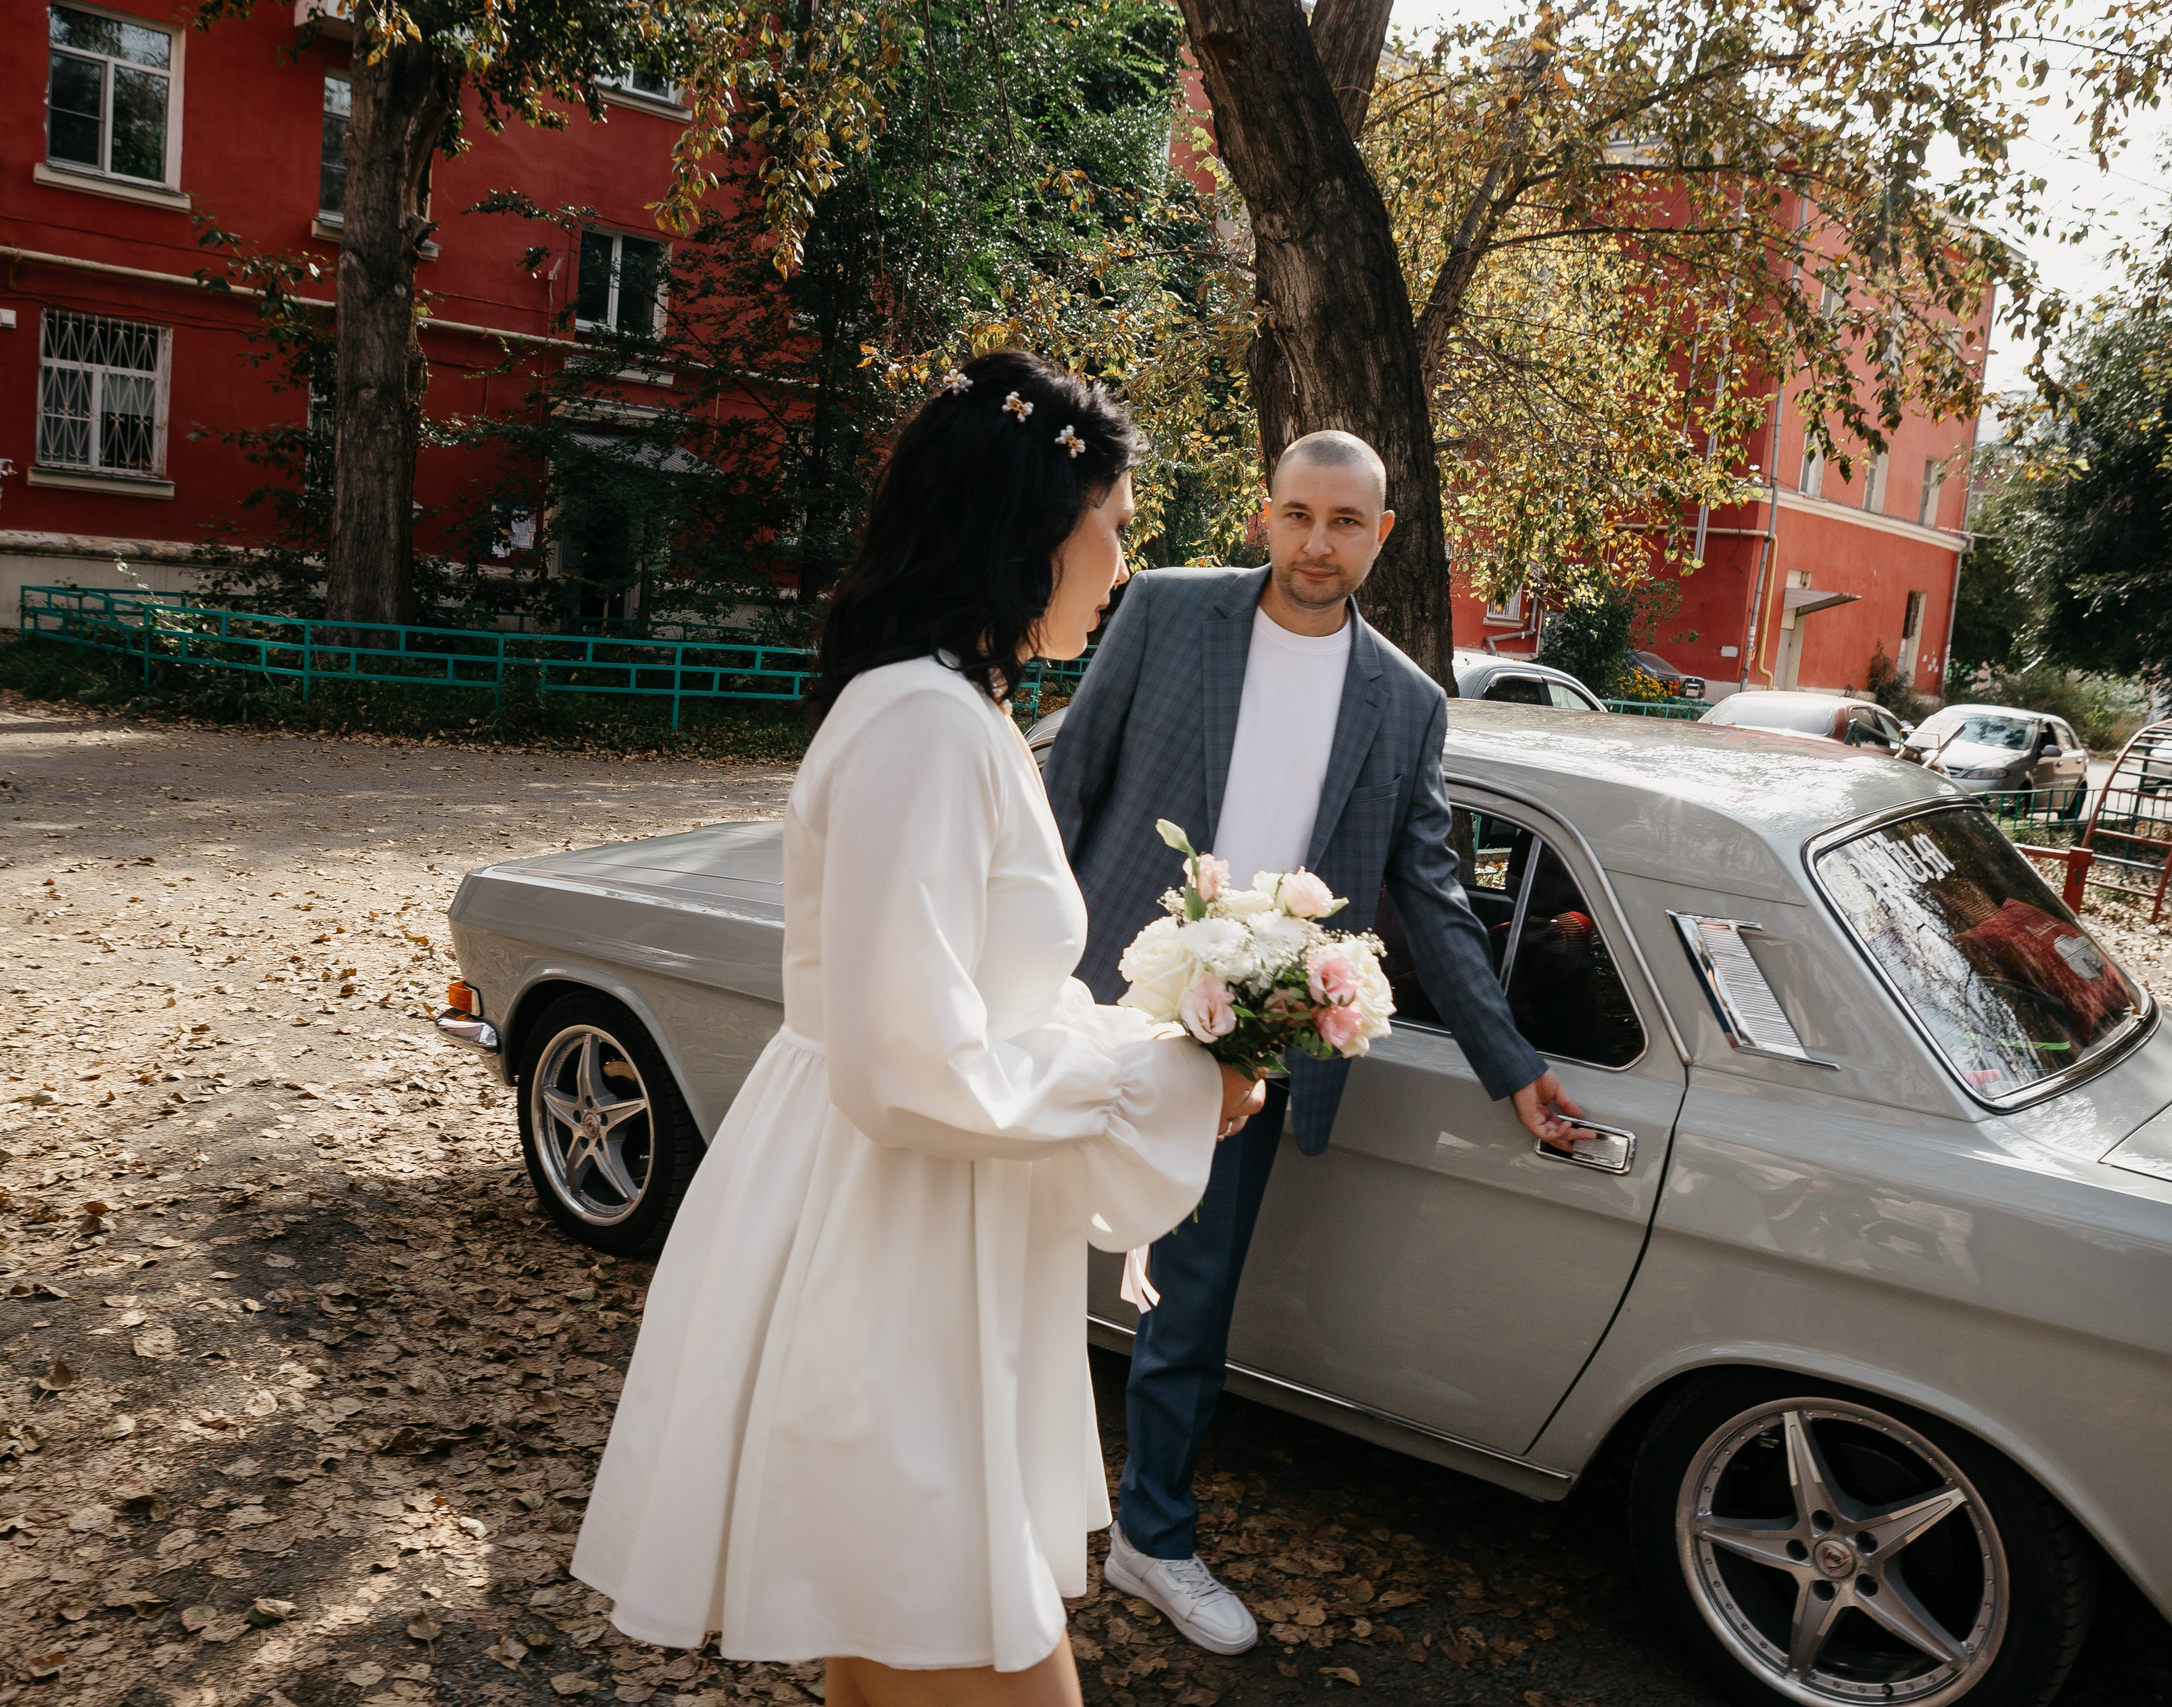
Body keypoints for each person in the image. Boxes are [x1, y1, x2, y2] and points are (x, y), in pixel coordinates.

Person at [572, 350, 1264, 1707]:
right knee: (955, 1631)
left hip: (921, 1218)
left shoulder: (959, 711)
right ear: (1030, 526)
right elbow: (911, 1055)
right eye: (1115, 526)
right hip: (887, 1230)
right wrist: (1159, 1083)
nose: (1122, 563)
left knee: (894, 1650)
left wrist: (1161, 1060)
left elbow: (973, 999)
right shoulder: (926, 727)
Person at [1043, 429, 1593, 1655]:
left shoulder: (1401, 699)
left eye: (1344, 522)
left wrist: (1513, 1064)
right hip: (1090, 1000)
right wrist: (1002, 967)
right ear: (1265, 515)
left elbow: (1430, 888)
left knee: (1188, 1308)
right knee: (1006, 1248)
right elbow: (1065, 790)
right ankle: (973, 1507)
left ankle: (1153, 1542)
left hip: (1250, 1043)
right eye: (1297, 514)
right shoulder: (1168, 615)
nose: (1315, 542)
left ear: (1380, 536)